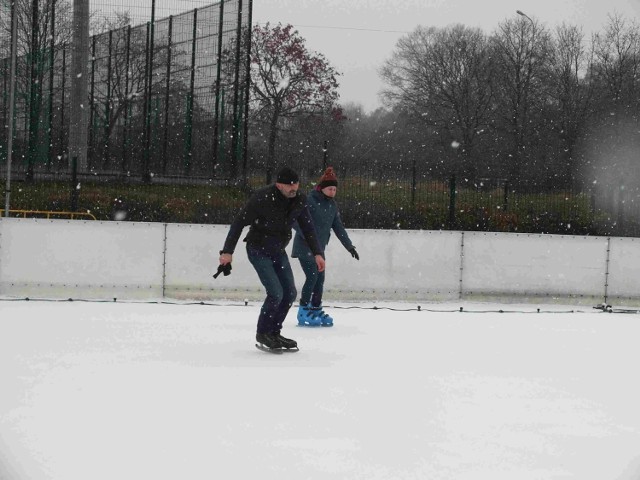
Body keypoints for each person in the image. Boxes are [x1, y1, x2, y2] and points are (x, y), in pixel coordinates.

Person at [218, 166, 325, 351]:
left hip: (278, 250)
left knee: (290, 293)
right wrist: (227, 251)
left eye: (296, 183)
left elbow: (307, 227)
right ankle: (263, 333)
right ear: (278, 185)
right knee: (276, 293)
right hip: (258, 249)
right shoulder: (262, 198)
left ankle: (274, 332)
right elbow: (238, 223)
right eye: (289, 185)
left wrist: (317, 253)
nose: (293, 187)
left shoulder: (299, 199)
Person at [292, 167, 359, 327]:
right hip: (304, 246)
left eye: (335, 189)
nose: (333, 191)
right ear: (321, 188)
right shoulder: (309, 200)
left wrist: (349, 247)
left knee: (320, 279)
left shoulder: (332, 206)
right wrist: (306, 236)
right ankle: (303, 310)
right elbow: (294, 220)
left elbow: (339, 228)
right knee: (313, 276)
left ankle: (315, 308)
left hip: (319, 250)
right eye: (330, 188)